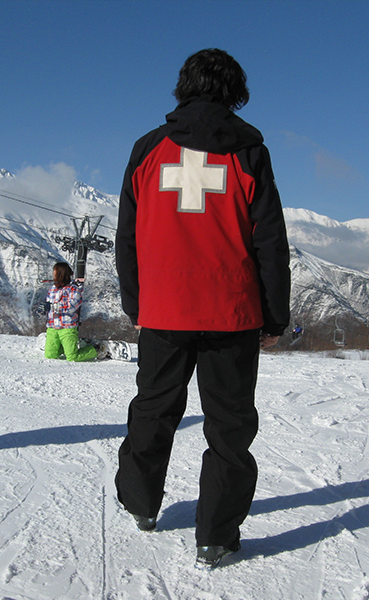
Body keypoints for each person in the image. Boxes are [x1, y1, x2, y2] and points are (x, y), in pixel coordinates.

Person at [114, 48, 291, 569]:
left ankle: (142, 505)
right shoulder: (249, 151)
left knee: (152, 410)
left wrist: (136, 302)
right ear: (235, 90)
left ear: (183, 86)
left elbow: (127, 236)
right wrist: (274, 315)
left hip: (164, 311)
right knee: (230, 426)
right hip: (231, 314)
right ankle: (215, 535)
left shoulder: (148, 149)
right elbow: (270, 241)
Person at [43, 262, 98, 362]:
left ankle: (96, 350)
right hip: (52, 326)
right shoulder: (53, 289)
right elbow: (48, 304)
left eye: (54, 272)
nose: (53, 274)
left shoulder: (73, 289)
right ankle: (64, 347)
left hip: (67, 326)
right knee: (50, 355)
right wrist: (44, 308)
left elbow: (73, 306)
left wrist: (54, 306)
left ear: (60, 273)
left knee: (72, 357)